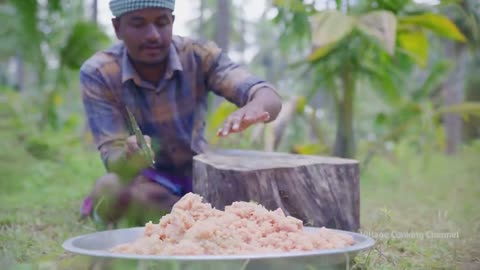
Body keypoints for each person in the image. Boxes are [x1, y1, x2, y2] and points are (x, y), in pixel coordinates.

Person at [79, 0, 282, 226]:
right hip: (148, 181)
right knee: (110, 187)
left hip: (202, 175)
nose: (153, 35)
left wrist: (255, 106)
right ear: (117, 28)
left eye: (161, 22)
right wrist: (129, 155)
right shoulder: (99, 72)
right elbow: (112, 158)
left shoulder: (198, 55)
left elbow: (266, 95)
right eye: (138, 24)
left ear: (172, 22)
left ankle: (189, 214)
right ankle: (193, 215)